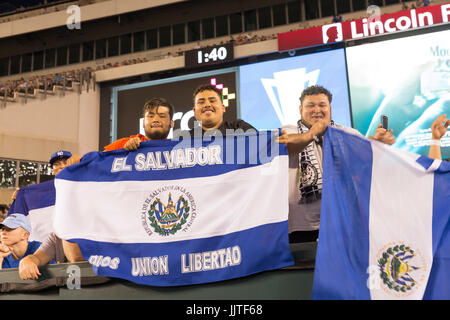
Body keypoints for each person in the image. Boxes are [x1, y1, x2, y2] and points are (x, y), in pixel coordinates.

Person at [278, 85, 395, 242]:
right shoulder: (289, 130)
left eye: (322, 105)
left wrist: (378, 143)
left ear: (330, 108)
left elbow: (365, 159)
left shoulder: (346, 133)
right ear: (300, 109)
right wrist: (313, 132)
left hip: (342, 221)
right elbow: (287, 145)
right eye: (310, 105)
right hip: (300, 225)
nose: (316, 110)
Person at [103, 97, 175, 152]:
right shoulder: (121, 145)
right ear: (143, 123)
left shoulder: (177, 150)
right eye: (151, 116)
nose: (155, 120)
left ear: (171, 123)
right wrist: (124, 152)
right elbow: (97, 163)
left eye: (162, 116)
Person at [188, 84, 255, 137]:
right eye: (201, 102)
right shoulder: (184, 140)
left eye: (212, 101)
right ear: (194, 111)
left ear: (223, 107)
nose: (207, 105)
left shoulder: (239, 128)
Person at [18, 232, 84, 280]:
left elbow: (76, 261)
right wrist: (28, 260)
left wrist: (65, 233)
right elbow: (38, 257)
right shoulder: (55, 238)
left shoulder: (91, 234)